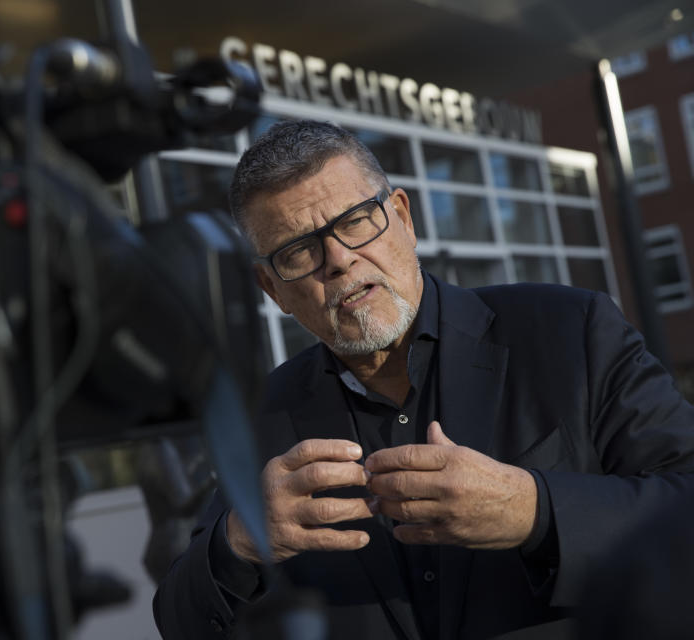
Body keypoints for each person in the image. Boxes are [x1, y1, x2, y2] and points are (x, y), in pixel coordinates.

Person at [152, 120, 694, 639]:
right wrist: (240, 542)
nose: (338, 260)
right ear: (272, 289)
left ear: (404, 218)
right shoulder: (257, 416)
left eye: (355, 220)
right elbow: (180, 621)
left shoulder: (572, 331)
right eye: (299, 250)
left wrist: (533, 509)